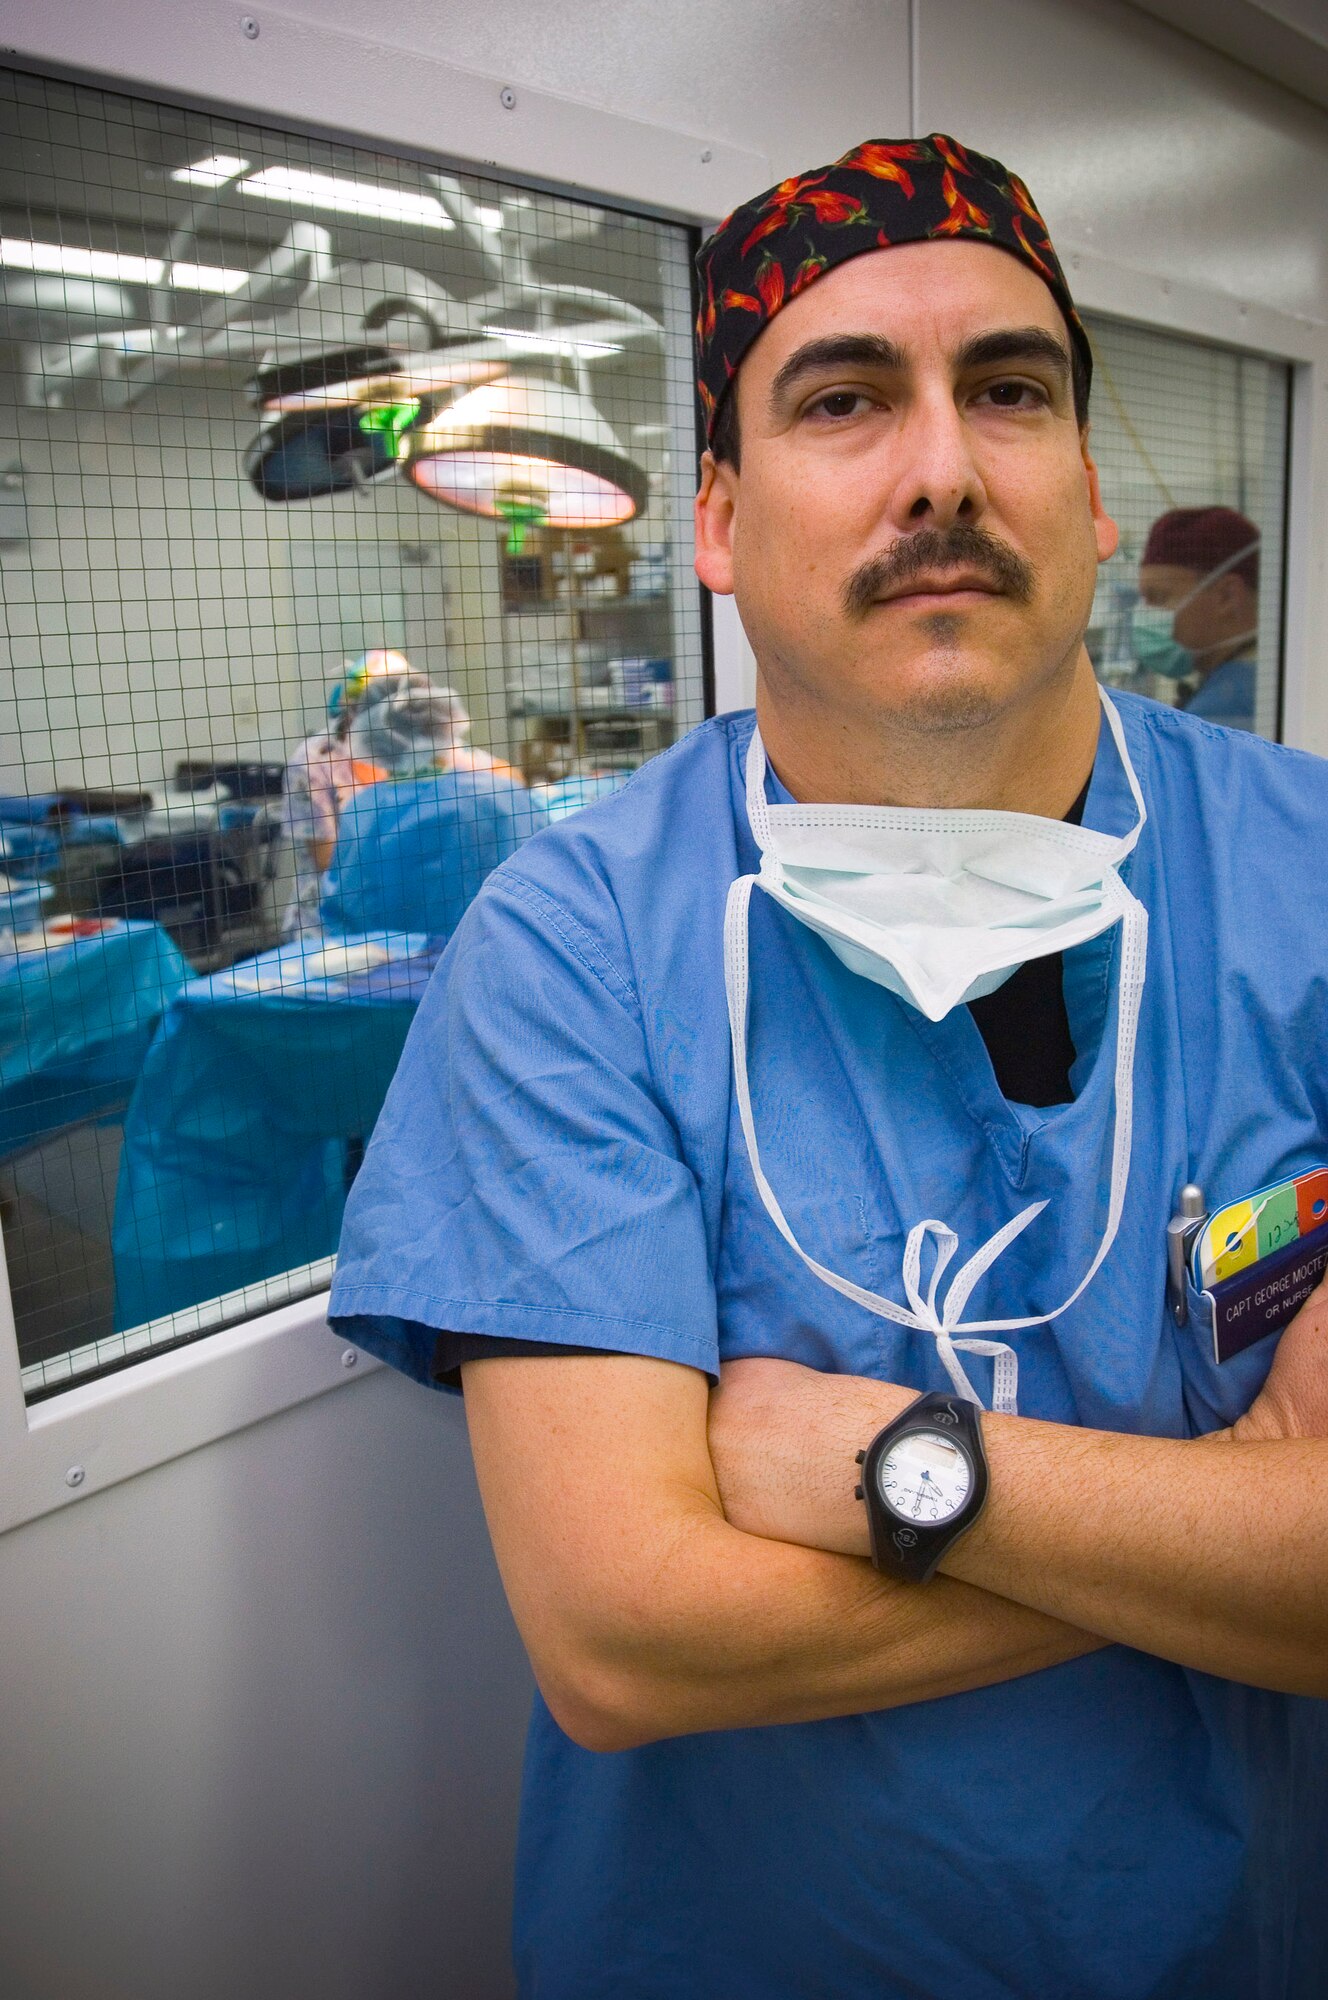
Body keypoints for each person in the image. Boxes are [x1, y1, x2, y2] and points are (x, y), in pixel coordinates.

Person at [329, 133, 1328, 1999]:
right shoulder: (572, 946)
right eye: (844, 399)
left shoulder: (1308, 884)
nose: (941, 468)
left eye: (1007, 391)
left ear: (1091, 494)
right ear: (714, 518)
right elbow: (627, 1638)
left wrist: (887, 1464)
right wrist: (1225, 1526)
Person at [323, 678, 544, 937]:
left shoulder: (364, 811)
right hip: (496, 958)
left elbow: (347, 915)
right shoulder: (503, 796)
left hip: (395, 970)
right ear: (446, 722)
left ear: (372, 734)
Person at [277, 649, 413, 937]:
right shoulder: (313, 762)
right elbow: (327, 858)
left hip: (392, 915)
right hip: (326, 925)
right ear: (352, 710)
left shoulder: (405, 749)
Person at [1134, 506, 1261, 729]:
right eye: (1144, 598)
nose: (1146, 613)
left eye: (1160, 597)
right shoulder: (1252, 680)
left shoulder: (1232, 704)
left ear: (1226, 596)